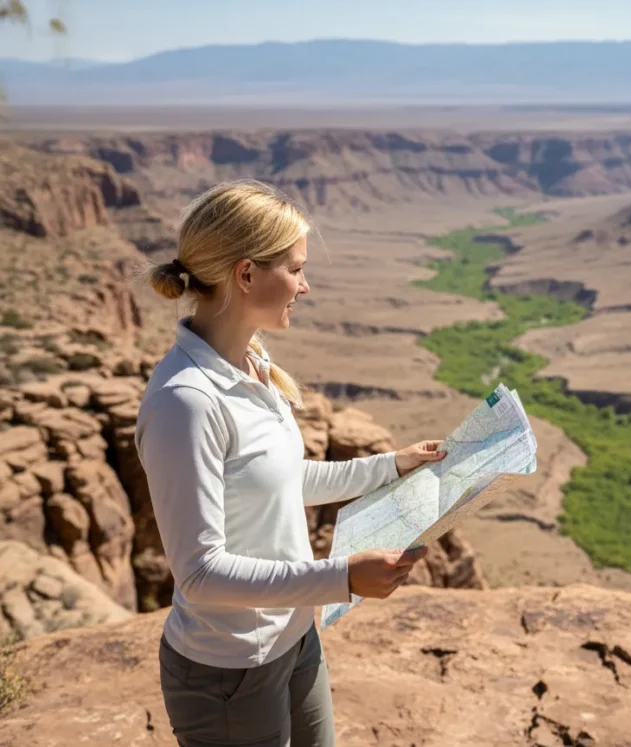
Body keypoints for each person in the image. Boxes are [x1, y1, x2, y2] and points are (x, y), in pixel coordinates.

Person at [135, 179, 446, 747]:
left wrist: (390, 466)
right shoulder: (187, 402)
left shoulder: (253, 362)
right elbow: (200, 575)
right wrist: (343, 578)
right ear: (247, 274)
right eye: (296, 269)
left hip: (296, 638)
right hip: (230, 671)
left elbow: (279, 484)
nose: (306, 286)